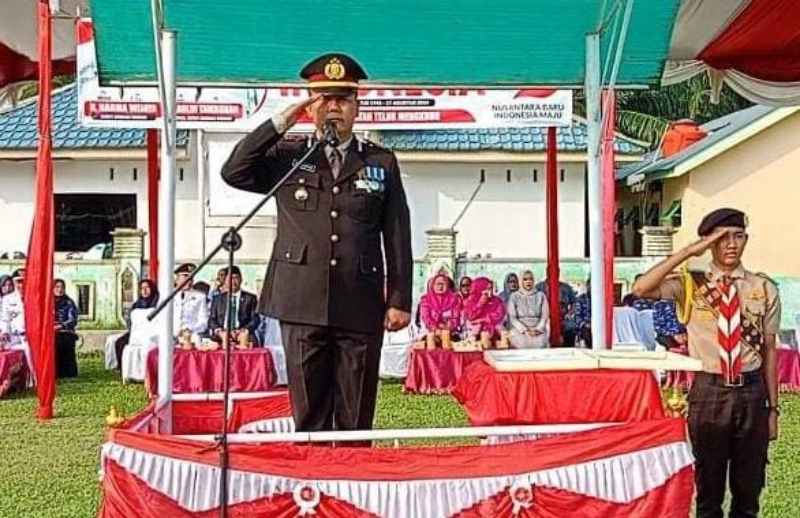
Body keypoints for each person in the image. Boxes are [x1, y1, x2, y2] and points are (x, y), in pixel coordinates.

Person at [221, 53, 412, 433]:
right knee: (308, 414)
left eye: (342, 99)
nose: (333, 108)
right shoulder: (289, 156)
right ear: (311, 107)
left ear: (357, 107)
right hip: (301, 300)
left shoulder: (380, 161)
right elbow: (234, 171)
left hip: (359, 300)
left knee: (355, 414)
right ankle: (311, 486)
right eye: (324, 99)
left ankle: (351, 483)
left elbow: (397, 232)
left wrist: (400, 299)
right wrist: (281, 122)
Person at [632, 208, 780, 518]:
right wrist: (688, 251)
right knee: (709, 490)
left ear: (746, 240)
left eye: (738, 236)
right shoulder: (691, 284)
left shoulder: (762, 287)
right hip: (709, 391)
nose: (731, 244)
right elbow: (641, 288)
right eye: (722, 237)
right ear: (709, 242)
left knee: (748, 490)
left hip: (752, 393)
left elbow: (769, 351)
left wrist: (773, 410)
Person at [207, 266, 259, 348]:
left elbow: (255, 319)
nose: (233, 281)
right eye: (230, 278)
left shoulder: (250, 298)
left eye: (236, 278)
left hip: (242, 334)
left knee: (250, 343)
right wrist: (219, 331)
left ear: (241, 280)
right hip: (222, 334)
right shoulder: (217, 298)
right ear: (225, 281)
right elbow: (212, 319)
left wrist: (243, 330)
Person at [114, 279, 159, 370]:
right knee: (120, 343)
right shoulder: (137, 304)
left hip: (152, 333)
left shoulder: (157, 302)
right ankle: (123, 368)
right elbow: (130, 321)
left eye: (147, 288)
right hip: (136, 332)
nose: (145, 290)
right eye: (142, 288)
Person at [507, 270, 550, 349]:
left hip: (538, 330)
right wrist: (525, 330)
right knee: (520, 342)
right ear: (521, 281)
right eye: (525, 279)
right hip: (520, 330)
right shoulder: (514, 296)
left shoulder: (541, 295)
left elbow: (544, 316)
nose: (528, 282)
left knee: (540, 343)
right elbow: (513, 318)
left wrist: (537, 329)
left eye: (530, 279)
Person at [419, 273, 461, 347]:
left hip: (450, 333)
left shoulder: (455, 300)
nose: (440, 286)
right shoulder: (425, 300)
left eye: (443, 284)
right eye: (437, 284)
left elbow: (455, 318)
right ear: (432, 286)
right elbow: (426, 318)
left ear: (447, 285)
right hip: (431, 333)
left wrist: (447, 328)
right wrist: (436, 329)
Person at [463, 277, 505, 348]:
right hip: (475, 332)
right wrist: (480, 304)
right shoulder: (470, 301)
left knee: (500, 330)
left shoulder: (497, 300)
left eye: (491, 288)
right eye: (488, 289)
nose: (490, 291)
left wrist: (482, 319)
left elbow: (499, 314)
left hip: (493, 329)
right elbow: (470, 317)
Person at [172, 263, 209, 344]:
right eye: (185, 276)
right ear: (177, 278)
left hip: (191, 337)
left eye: (191, 277)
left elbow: (203, 321)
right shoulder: (169, 295)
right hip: (170, 335)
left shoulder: (200, 296)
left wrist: (190, 330)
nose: (188, 280)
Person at [536, 276, 577, 346]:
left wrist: (569, 313)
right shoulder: (539, 287)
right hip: (544, 317)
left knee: (571, 327)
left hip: (563, 317)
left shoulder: (566, 287)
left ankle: (568, 350)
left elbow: (574, 303)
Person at [53, 279, 79, 378]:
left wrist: (60, 326)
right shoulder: (47, 302)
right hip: (51, 331)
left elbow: (72, 320)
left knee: (62, 340)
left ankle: (67, 373)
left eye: (62, 287)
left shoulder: (69, 302)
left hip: (66, 331)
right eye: (57, 287)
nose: (60, 290)